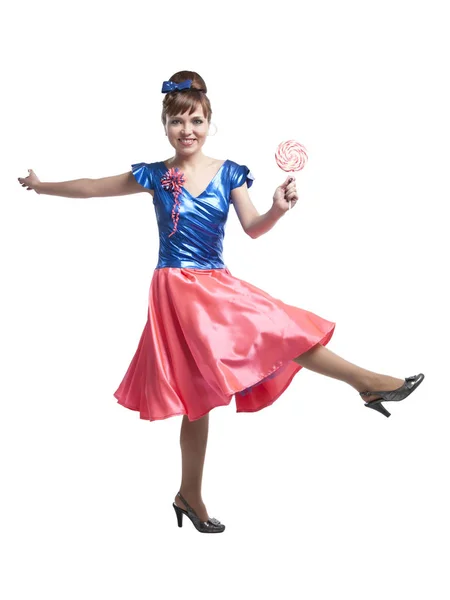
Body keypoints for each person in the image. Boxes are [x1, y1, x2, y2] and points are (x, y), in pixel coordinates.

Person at [18, 70, 425, 534]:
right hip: (176, 292)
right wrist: (43, 185)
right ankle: (362, 386)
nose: (186, 130)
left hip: (215, 284)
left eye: (195, 120)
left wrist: (277, 208)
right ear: (165, 126)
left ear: (209, 122)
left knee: (276, 334)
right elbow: (93, 186)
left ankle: (192, 491)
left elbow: (253, 227)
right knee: (205, 391)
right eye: (177, 121)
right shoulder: (154, 175)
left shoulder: (229, 172)